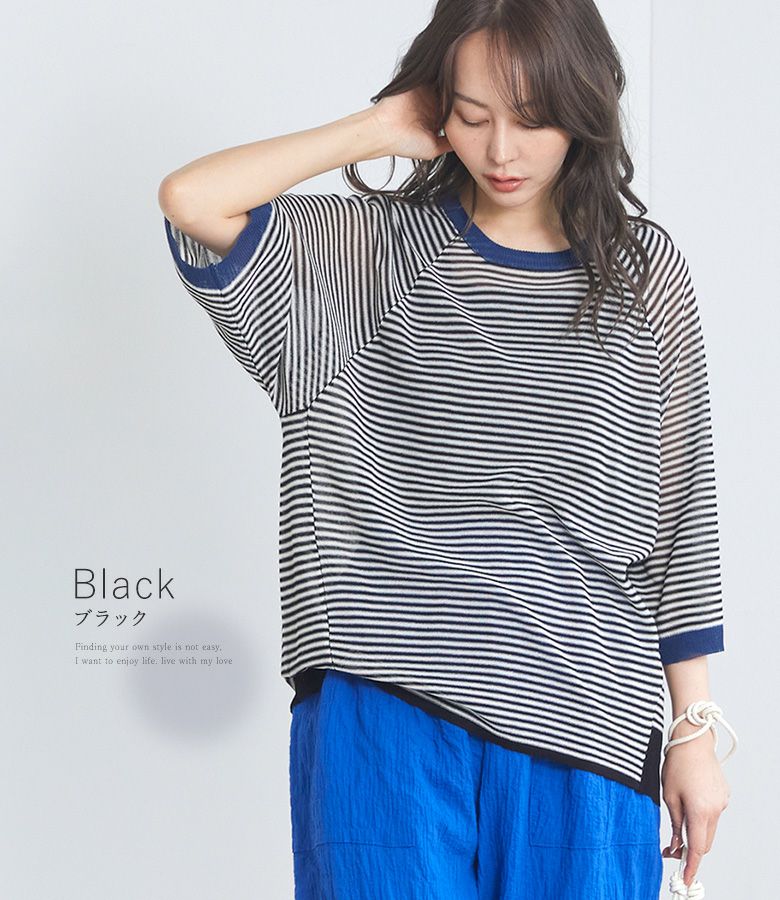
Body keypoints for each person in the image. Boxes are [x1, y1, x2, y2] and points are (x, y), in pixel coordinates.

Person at [158, 1, 734, 897]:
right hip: (389, 713)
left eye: (533, 119)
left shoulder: (642, 274)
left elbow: (682, 506)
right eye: (472, 115)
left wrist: (693, 726)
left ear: (583, 107)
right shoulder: (372, 258)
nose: (501, 150)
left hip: (589, 724)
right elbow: (191, 201)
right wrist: (379, 128)